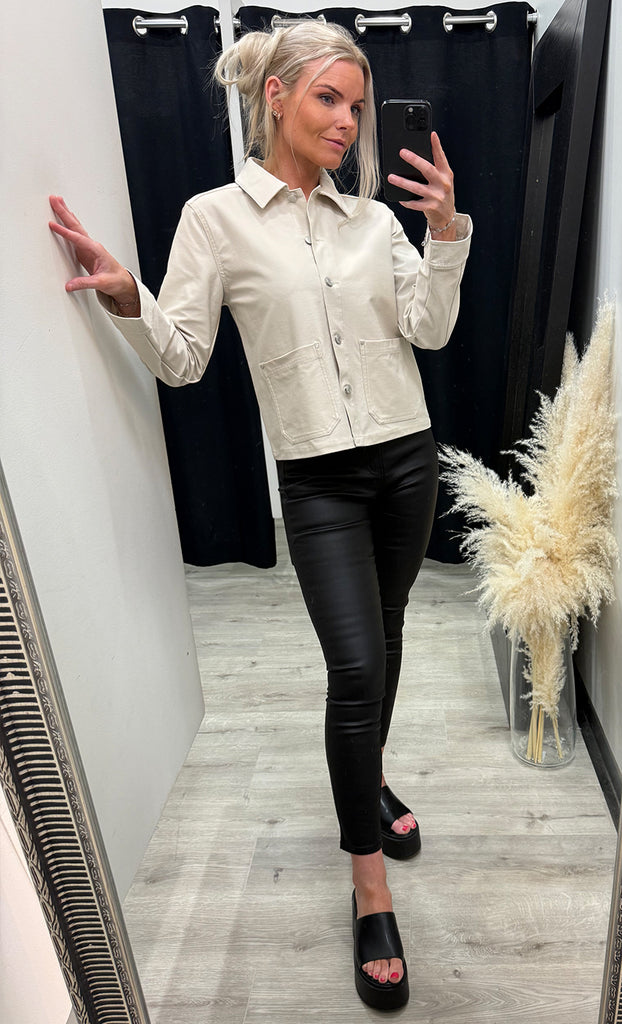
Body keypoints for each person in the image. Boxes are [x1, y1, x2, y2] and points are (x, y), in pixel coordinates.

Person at [49, 20, 471, 1011]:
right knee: (355, 665)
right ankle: (369, 883)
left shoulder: (373, 221)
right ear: (274, 96)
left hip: (404, 458)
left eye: (357, 105)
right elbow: (184, 358)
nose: (348, 121)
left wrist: (446, 233)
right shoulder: (213, 220)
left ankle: (367, 777)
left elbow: (430, 329)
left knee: (389, 636)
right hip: (318, 481)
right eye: (329, 98)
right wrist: (127, 296)